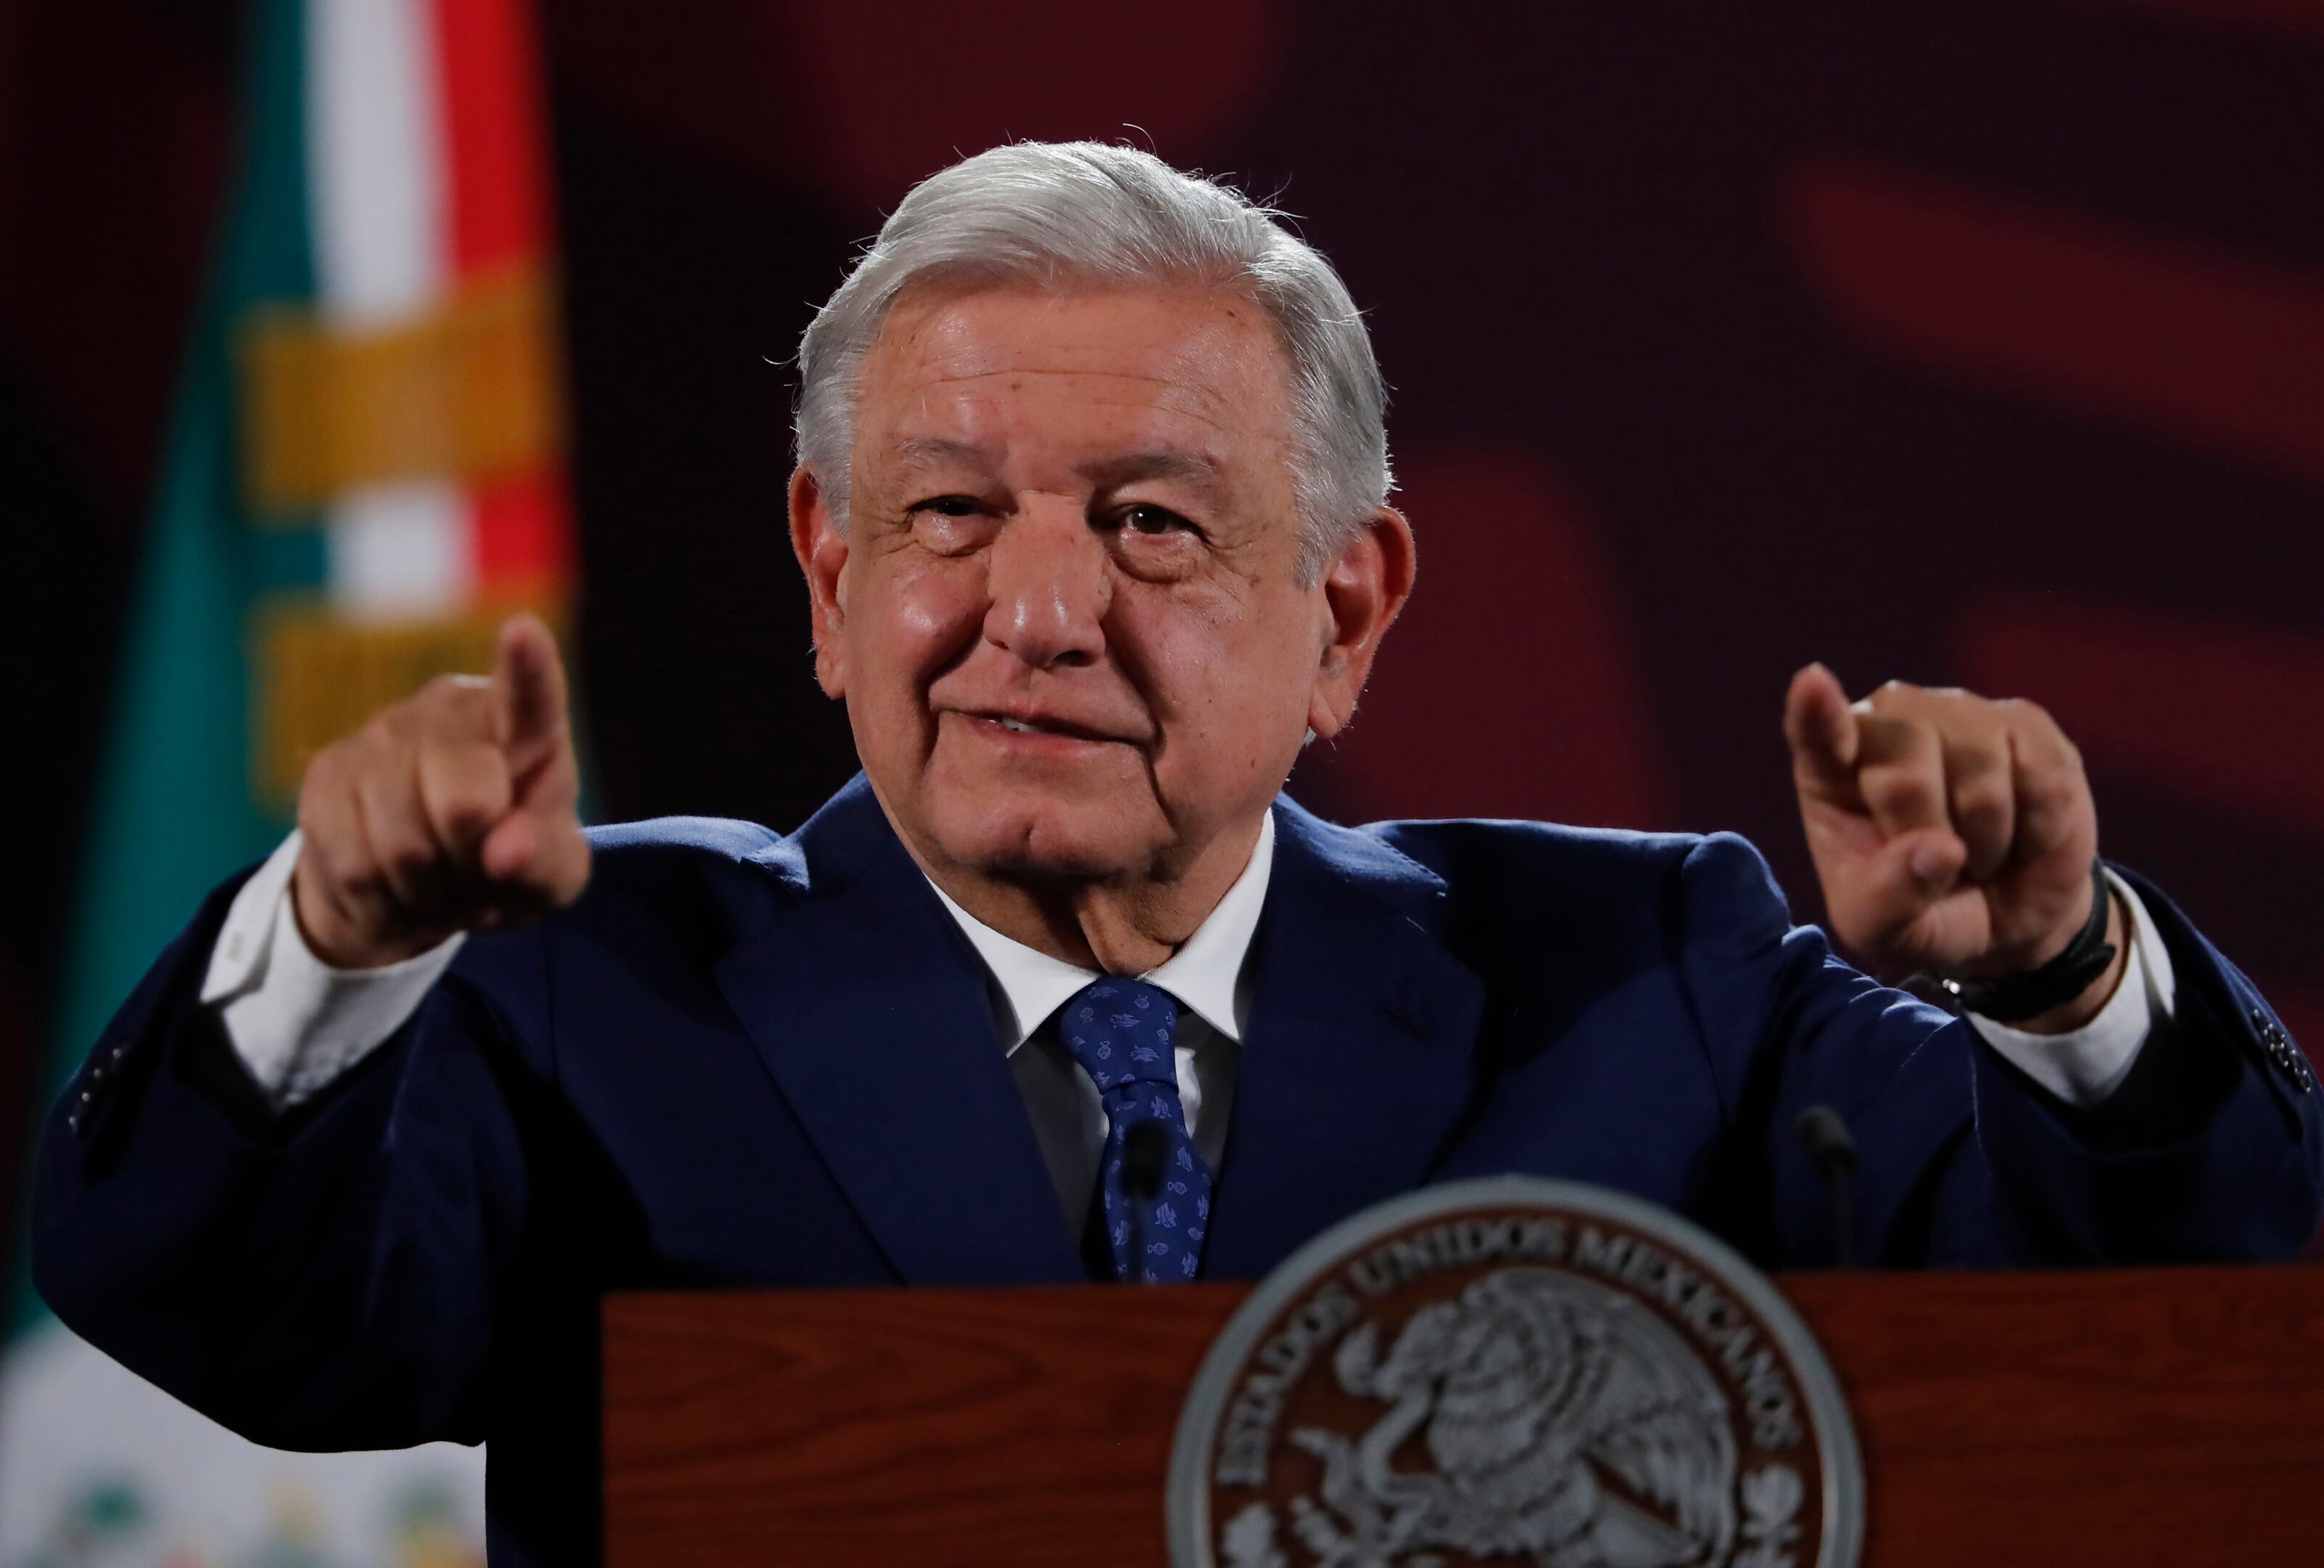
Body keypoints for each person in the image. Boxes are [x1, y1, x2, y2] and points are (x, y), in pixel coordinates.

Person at [33, 142, 2320, 1568]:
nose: (1038, 610)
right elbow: (217, 1308)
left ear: (1347, 611)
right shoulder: (591, 982)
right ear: (828, 577)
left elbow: (2186, 1309)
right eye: (948, 517)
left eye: (1151, 523)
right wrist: (326, 952)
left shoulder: (1651, 974)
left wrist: (2060, 984)